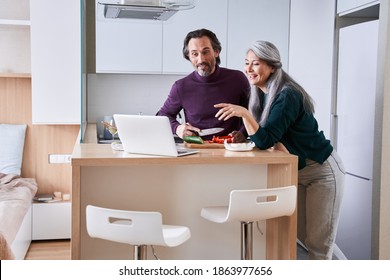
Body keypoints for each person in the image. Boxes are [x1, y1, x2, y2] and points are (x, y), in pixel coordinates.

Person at [214, 40, 345, 260]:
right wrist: (244, 134)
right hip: (298, 171)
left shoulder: (287, 95)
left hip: (322, 171)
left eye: (255, 64)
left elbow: (266, 140)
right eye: (247, 63)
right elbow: (266, 132)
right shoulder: (262, 93)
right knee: (304, 239)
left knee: (319, 244)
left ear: (272, 66)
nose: (248, 69)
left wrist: (244, 115)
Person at [157, 28, 250, 141]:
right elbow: (162, 115)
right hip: (196, 149)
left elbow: (252, 112)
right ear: (189, 57)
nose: (201, 59)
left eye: (205, 52)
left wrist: (242, 133)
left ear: (216, 51)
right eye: (194, 54)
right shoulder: (181, 87)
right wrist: (177, 128)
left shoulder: (237, 79)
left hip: (232, 148)